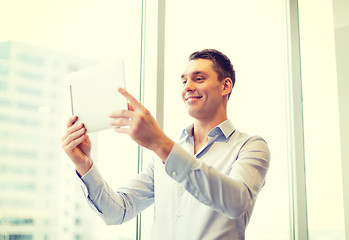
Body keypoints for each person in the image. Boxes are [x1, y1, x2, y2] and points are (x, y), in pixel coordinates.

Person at [61, 49, 270, 240]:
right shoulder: (164, 155)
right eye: (184, 81)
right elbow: (118, 212)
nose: (187, 87)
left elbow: (236, 203)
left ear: (225, 86)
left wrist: (161, 145)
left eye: (198, 78)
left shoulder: (250, 146)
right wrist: (85, 165)